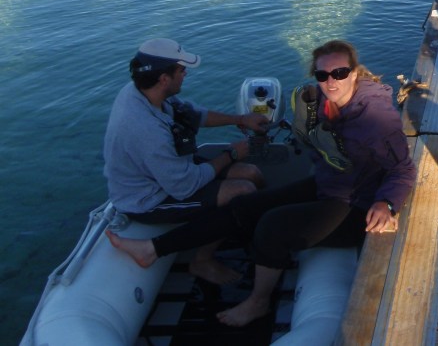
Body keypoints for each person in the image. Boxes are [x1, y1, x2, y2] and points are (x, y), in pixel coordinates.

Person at [107, 39, 417, 326]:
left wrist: (386, 202)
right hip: (331, 185)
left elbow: (403, 169)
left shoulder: (375, 116)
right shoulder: (324, 100)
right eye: (322, 75)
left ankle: (258, 302)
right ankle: (153, 249)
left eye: (339, 73)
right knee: (244, 205)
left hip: (358, 204)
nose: (330, 81)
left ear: (354, 73)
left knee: (271, 227)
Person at [104, 37, 269, 284]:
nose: (185, 74)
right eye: (182, 70)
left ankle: (251, 227)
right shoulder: (145, 129)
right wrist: (231, 155)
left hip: (168, 172)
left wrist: (240, 119)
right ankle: (201, 261)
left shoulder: (146, 92)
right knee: (242, 191)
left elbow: (191, 114)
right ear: (164, 79)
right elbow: (185, 186)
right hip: (147, 198)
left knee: (252, 173)